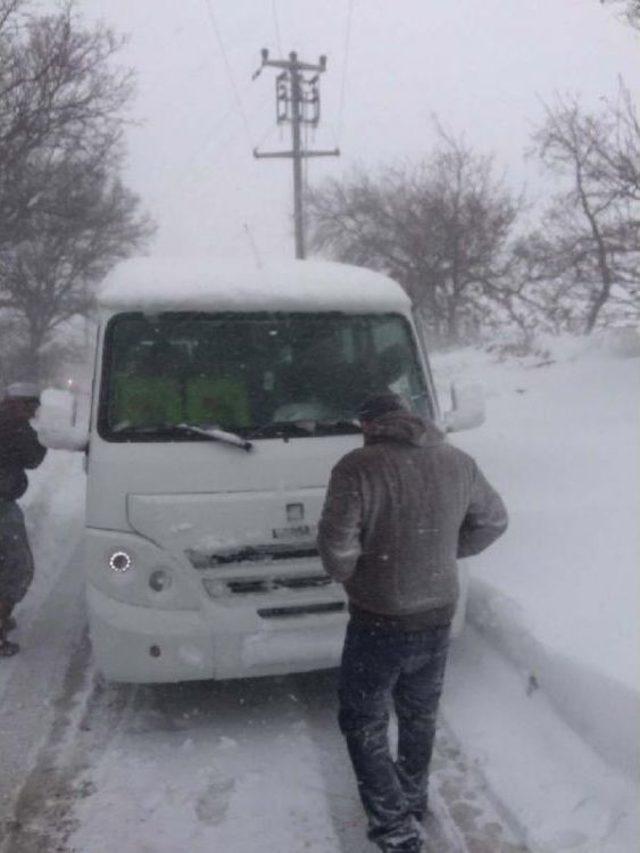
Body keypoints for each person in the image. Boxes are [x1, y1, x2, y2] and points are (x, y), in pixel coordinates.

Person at [317, 393, 508, 853]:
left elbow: (337, 550)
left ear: (369, 424)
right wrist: (443, 552)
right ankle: (412, 799)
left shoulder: (357, 467)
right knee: (419, 715)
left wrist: (357, 572)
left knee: (363, 720)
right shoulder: (458, 461)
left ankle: (393, 829)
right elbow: (494, 520)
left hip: (379, 618)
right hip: (437, 616)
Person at [0, 382, 47, 657]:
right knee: (17, 568)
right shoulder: (14, 426)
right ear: (18, 404)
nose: (34, 412)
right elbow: (34, 459)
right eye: (31, 406)